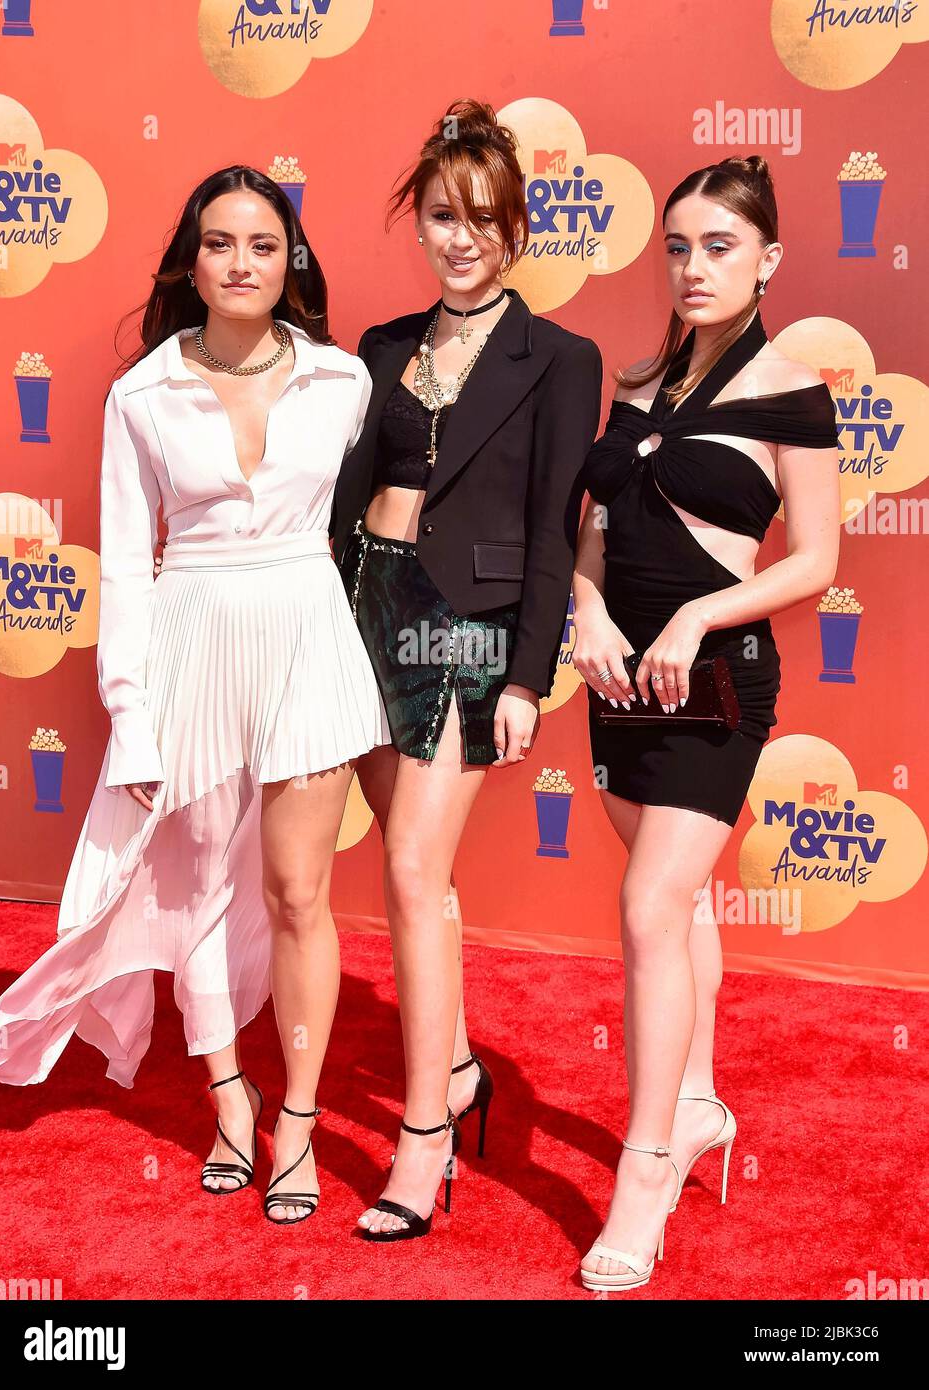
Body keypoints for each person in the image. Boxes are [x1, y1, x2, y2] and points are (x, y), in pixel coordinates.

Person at [0, 166, 390, 1224]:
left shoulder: (343, 383)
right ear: (190, 261)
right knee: (200, 882)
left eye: (264, 243)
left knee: (299, 891)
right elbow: (124, 560)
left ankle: (295, 1116)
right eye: (221, 243)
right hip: (191, 640)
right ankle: (228, 1098)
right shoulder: (142, 394)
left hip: (306, 631)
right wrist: (132, 705)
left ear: (290, 259)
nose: (243, 262)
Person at [329, 99, 604, 1241]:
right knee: (415, 879)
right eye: (443, 215)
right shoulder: (381, 348)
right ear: (420, 219)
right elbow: (342, 498)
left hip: (469, 629)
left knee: (407, 863)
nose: (461, 239)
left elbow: (550, 527)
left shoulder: (562, 359)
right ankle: (456, 1068)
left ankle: (424, 1136)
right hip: (363, 609)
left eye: (484, 219)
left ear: (517, 230)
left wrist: (526, 677)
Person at [572, 155, 840, 1291]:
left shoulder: (791, 389)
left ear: (767, 259)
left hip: (716, 686)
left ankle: (643, 1172)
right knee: (673, 910)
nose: (692, 266)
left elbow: (816, 562)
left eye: (719, 246)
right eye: (677, 245)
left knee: (646, 907)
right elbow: (590, 530)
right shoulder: (633, 381)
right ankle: (695, 1106)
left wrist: (692, 612)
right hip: (614, 685)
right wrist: (582, 610)